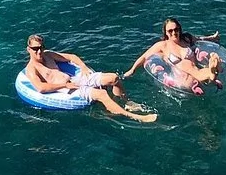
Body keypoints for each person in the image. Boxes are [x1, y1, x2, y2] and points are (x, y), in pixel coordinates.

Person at [23, 35, 157, 123]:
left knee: (114, 78)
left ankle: (126, 102)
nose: (39, 52)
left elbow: (71, 57)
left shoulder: (49, 55)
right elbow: (41, 88)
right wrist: (64, 86)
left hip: (74, 78)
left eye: (41, 48)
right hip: (65, 90)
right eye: (35, 49)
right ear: (28, 49)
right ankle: (135, 117)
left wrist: (83, 67)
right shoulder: (31, 69)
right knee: (102, 94)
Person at [124, 18, 222, 91]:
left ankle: (212, 74)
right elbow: (144, 56)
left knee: (199, 72)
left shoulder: (187, 38)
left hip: (194, 70)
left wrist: (212, 38)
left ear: (179, 29)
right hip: (182, 78)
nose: (174, 33)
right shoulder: (162, 45)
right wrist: (132, 70)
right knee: (199, 76)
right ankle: (212, 75)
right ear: (166, 33)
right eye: (170, 31)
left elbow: (200, 39)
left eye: (176, 29)